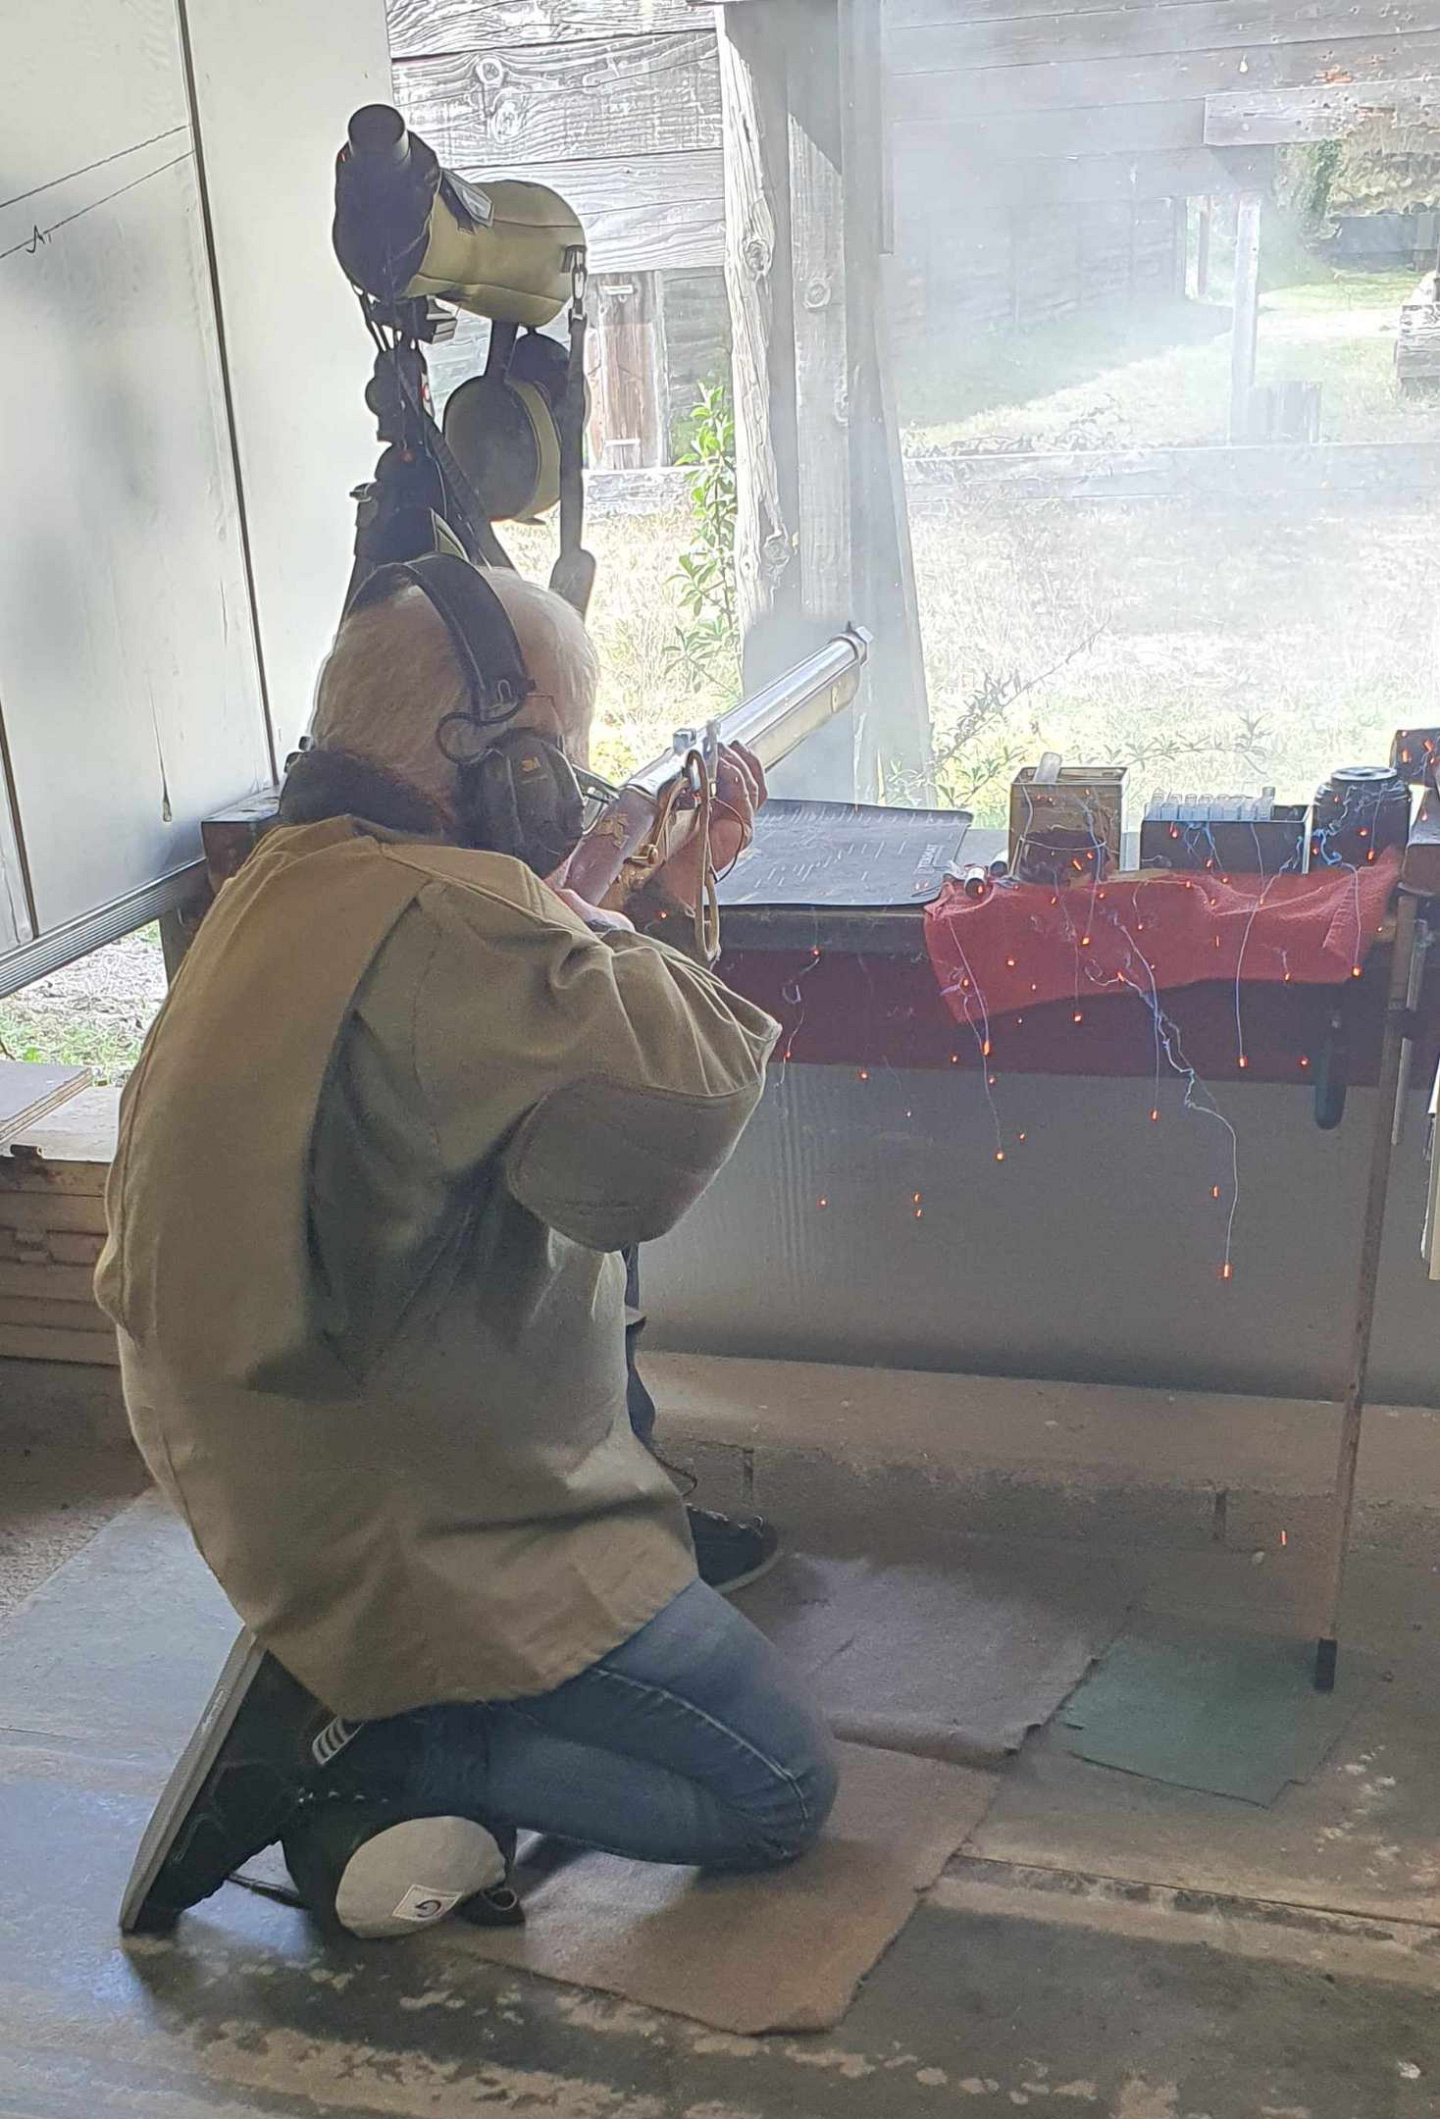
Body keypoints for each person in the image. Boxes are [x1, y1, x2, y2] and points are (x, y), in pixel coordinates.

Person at [97, 557, 837, 1941]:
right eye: (560, 755)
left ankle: (373, 1700)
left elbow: (491, 989)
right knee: (776, 1791)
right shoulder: (463, 929)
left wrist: (611, 884)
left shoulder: (299, 874)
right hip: (415, 1511)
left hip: (260, 1440)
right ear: (510, 763)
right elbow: (659, 1132)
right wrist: (670, 904)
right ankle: (385, 1751)